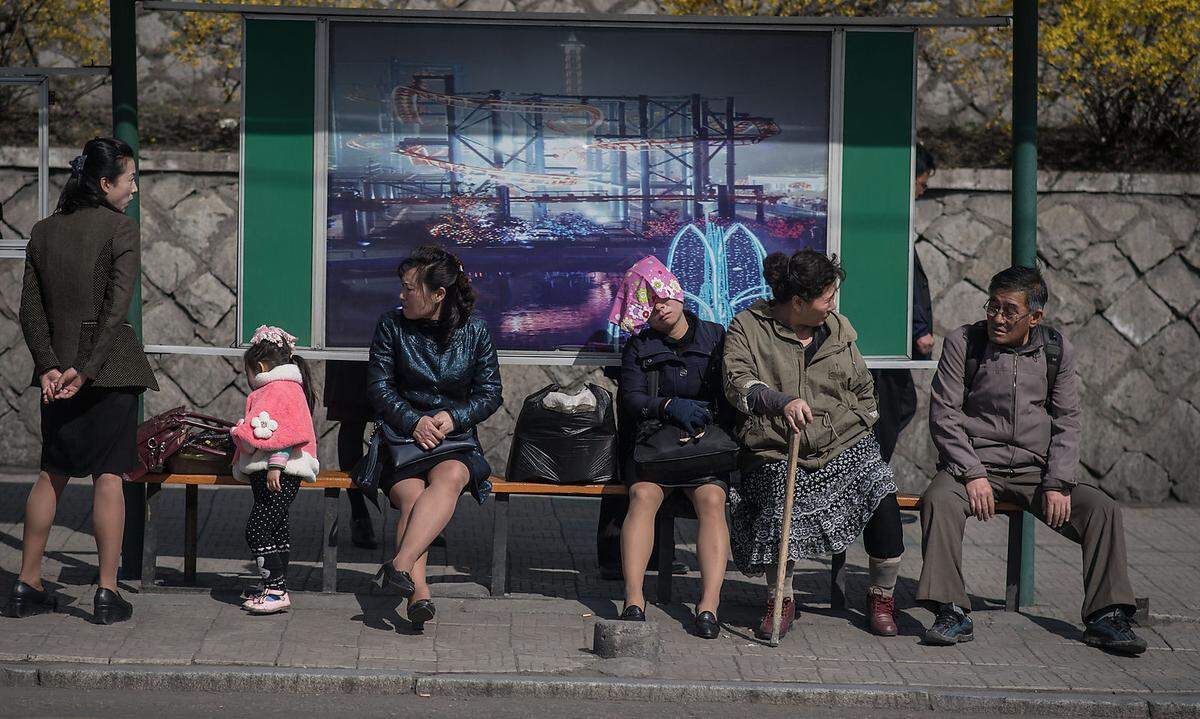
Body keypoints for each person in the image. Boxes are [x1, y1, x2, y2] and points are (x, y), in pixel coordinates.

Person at [917, 266, 1147, 654]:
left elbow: (1067, 420)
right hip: (972, 466)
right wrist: (972, 473)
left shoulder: (1057, 349)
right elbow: (944, 415)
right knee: (938, 500)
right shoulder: (964, 342)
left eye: (1009, 311)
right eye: (993, 307)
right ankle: (951, 610)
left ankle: (1106, 616)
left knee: (1102, 509)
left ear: (1035, 317)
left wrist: (1058, 481)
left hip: (1036, 472)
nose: (998, 318)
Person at [5, 137, 158, 625]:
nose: (135, 187)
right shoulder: (122, 230)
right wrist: (87, 369)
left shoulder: (43, 231)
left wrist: (51, 365)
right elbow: (116, 310)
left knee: (52, 472)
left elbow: (31, 309)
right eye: (129, 178)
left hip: (57, 370)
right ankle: (107, 592)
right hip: (108, 370)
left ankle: (27, 582)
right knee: (108, 476)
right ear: (104, 182)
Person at [724, 250, 904, 640]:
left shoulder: (838, 329)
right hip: (776, 448)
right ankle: (780, 598)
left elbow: (864, 392)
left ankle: (881, 595)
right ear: (799, 302)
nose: (832, 305)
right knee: (775, 498)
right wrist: (780, 402)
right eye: (826, 297)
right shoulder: (748, 327)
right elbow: (737, 384)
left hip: (841, 443)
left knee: (881, 488)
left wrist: (853, 424)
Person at [368, 245, 501, 630]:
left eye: (409, 288)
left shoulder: (475, 330)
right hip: (401, 439)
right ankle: (419, 592)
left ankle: (399, 567)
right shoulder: (391, 325)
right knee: (411, 498)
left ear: (438, 293)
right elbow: (379, 388)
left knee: (453, 476)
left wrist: (452, 416)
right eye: (403, 287)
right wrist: (413, 421)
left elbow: (490, 392)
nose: (402, 295)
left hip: (453, 441)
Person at [611, 256, 732, 639]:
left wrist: (707, 413)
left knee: (713, 499)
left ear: (678, 295)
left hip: (703, 446)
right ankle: (633, 599)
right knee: (642, 496)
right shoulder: (638, 346)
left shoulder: (717, 337)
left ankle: (708, 605)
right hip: (654, 446)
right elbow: (630, 399)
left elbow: (732, 390)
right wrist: (664, 406)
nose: (659, 308)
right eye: (648, 303)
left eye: (663, 298)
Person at [230, 326, 320, 615]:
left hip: (280, 470)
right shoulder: (286, 386)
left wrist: (275, 464)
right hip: (278, 470)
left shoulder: (279, 389)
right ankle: (274, 586)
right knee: (276, 528)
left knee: (257, 529)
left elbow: (285, 431)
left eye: (248, 372)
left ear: (259, 367)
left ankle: (276, 589)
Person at [871, 143, 936, 463]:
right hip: (885, 339)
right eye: (922, 183)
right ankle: (873, 491)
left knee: (902, 403)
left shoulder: (885, 215)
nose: (922, 192)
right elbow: (901, 278)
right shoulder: (888, 222)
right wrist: (920, 328)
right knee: (893, 408)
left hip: (888, 336)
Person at [322, 360, 379, 549]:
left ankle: (421, 511)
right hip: (350, 343)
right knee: (351, 421)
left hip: (397, 342)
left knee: (404, 423)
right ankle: (359, 512)